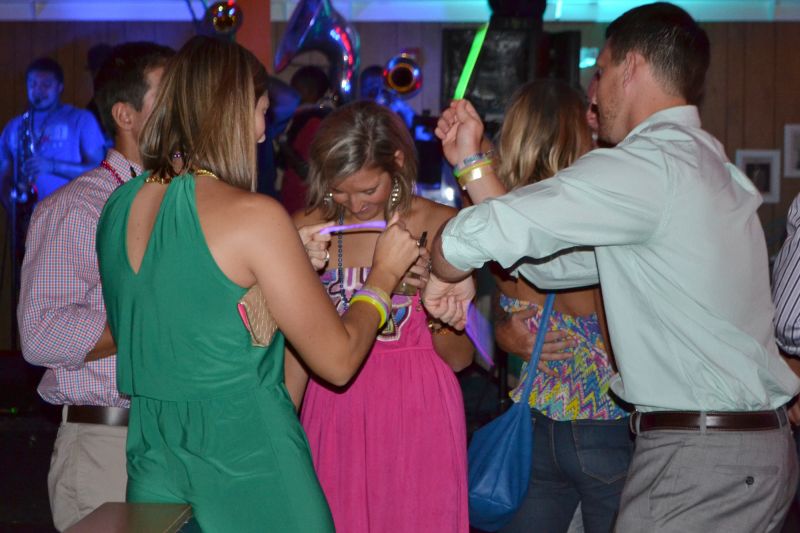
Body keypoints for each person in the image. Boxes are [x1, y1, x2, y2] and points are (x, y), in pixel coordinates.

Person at [427, 2, 800, 531]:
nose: (593, 92)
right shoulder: (703, 165)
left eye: (598, 72)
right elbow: (549, 266)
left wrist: (444, 269)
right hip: (731, 449)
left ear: (632, 67)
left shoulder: (650, 165)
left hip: (701, 453)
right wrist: (471, 164)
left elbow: (500, 231)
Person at [95, 36, 419, 532]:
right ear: (230, 111)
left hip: (155, 455)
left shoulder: (116, 208)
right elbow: (337, 361)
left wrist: (284, 276)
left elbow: (197, 334)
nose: (264, 133)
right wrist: (383, 277)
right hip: (249, 455)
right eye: (261, 111)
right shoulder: (252, 216)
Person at [290, 100, 474, 533]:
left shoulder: (443, 227)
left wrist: (432, 302)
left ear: (396, 162)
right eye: (339, 189)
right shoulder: (305, 229)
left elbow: (462, 357)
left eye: (367, 189)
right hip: (333, 409)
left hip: (418, 414)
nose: (353, 204)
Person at [17, 42, 174, 531]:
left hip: (175, 439)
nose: (186, 110)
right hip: (107, 442)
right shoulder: (76, 209)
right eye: (170, 98)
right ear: (125, 114)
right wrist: (157, 314)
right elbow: (41, 335)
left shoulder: (189, 202)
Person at [477, 80, 631, 533]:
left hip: (537, 423)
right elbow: (614, 332)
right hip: (605, 419)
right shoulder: (590, 221)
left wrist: (504, 327)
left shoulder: (502, 220)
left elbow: (503, 304)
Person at [0, 57, 105, 203]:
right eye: (33, 84)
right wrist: (10, 204)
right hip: (25, 216)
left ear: (60, 87)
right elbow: (4, 175)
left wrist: (52, 166)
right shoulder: (13, 126)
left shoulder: (81, 118)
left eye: (46, 85)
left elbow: (99, 171)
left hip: (68, 213)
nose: (38, 91)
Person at [277, 65, 332, 214]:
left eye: (295, 90)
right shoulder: (302, 119)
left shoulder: (314, 122)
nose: (291, 95)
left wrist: (282, 142)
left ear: (310, 92)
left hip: (303, 204)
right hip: (295, 200)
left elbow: (307, 172)